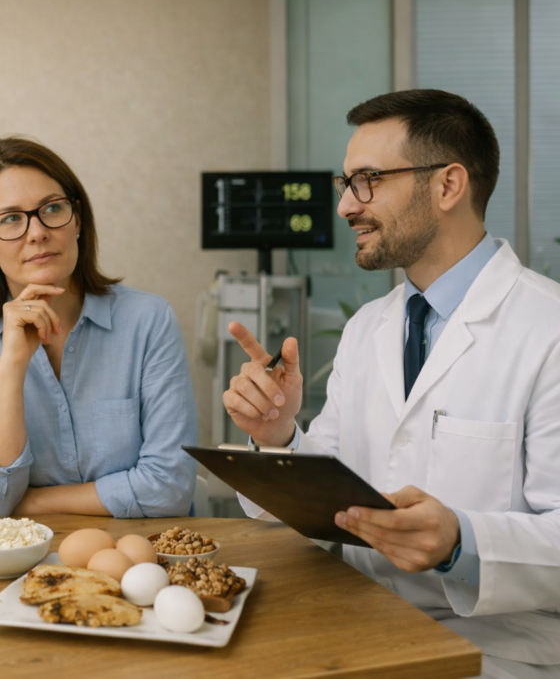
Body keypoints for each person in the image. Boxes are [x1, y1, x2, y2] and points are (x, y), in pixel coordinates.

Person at [222, 90, 560, 678]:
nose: (345, 205)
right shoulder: (368, 327)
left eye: (368, 180)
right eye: (346, 183)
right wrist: (278, 437)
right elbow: (331, 491)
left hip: (497, 651)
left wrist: (460, 541)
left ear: (448, 185)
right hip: (359, 624)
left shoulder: (547, 328)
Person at [0, 137, 198, 519]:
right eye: (10, 219)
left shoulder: (149, 320)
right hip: (23, 552)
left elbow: (169, 488)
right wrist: (12, 364)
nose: (37, 232)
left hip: (143, 548)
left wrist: (32, 502)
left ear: (78, 220)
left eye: (52, 208)